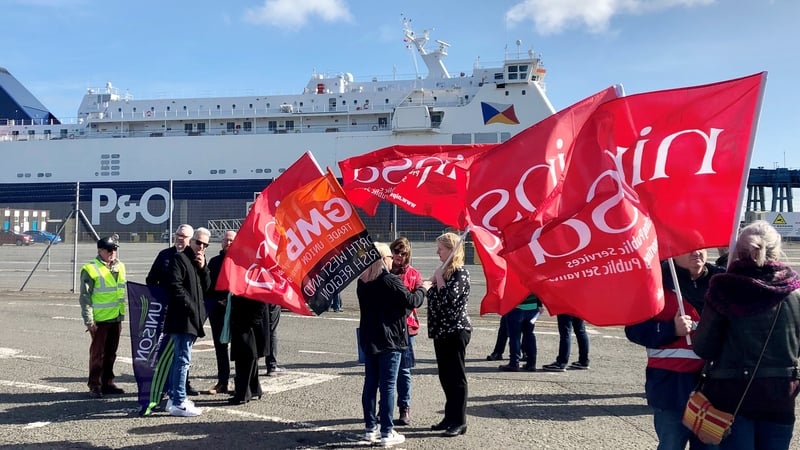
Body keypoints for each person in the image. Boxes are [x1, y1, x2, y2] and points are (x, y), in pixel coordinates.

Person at [694, 221, 800, 449]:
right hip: (780, 395)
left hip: (731, 396)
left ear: (738, 251)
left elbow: (704, 347)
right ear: (776, 250)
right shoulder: (794, 291)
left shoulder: (724, 289)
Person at [625, 249, 724, 450]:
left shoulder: (723, 283)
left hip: (715, 387)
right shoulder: (654, 283)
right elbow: (634, 330)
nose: (696, 252)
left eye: (701, 246)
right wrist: (670, 329)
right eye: (688, 248)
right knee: (671, 445)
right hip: (671, 387)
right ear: (673, 252)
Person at [358, 242, 426, 446]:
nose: (391, 260)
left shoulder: (363, 281)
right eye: (388, 256)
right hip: (390, 339)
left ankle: (370, 428)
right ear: (383, 259)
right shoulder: (389, 280)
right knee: (388, 385)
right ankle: (387, 431)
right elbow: (412, 301)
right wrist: (423, 288)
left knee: (370, 383)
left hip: (370, 337)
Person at [427, 232, 472, 438]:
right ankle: (449, 417)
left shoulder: (460, 273)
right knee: (445, 376)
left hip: (455, 330)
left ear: (452, 250)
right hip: (441, 331)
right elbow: (433, 298)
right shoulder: (444, 272)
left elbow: (449, 301)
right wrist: (432, 283)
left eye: (441, 249)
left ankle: (460, 421)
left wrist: (438, 280)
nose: (438, 252)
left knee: (456, 376)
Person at [163, 227, 211, 417]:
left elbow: (207, 288)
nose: (201, 247)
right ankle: (179, 401)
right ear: (191, 241)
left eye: (205, 245)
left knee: (180, 359)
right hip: (182, 319)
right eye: (198, 242)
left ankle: (174, 397)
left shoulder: (196, 262)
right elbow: (174, 287)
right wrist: (192, 309)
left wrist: (203, 268)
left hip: (190, 319)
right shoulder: (179, 259)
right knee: (182, 360)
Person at [146, 224, 199, 396]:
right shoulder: (164, 255)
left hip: (185, 314)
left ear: (191, 239)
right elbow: (151, 280)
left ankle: (183, 384)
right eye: (178, 235)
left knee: (183, 351)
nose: (180, 238)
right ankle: (162, 386)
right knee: (163, 349)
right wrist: (161, 298)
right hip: (166, 312)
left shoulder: (194, 258)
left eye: (184, 236)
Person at [79, 237, 126, 398]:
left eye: (115, 249)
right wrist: (89, 320)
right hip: (100, 319)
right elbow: (85, 297)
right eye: (109, 249)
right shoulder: (90, 269)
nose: (113, 252)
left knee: (111, 353)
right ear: (100, 250)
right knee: (98, 354)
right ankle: (95, 385)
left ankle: (107, 383)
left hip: (116, 317)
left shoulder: (120, 266)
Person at [389, 236, 424, 426]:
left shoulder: (414, 274)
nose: (399, 256)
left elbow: (417, 298)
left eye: (403, 253)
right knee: (386, 371)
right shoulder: (384, 271)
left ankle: (404, 407)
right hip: (388, 327)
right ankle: (384, 407)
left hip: (407, 328)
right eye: (396, 252)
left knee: (404, 370)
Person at [205, 230, 235, 395]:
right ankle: (223, 381)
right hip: (217, 309)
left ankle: (241, 383)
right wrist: (218, 300)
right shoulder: (214, 262)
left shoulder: (240, 261)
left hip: (236, 309)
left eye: (231, 240)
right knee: (220, 347)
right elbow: (208, 285)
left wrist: (230, 301)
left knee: (239, 347)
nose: (228, 243)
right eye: (225, 240)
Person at [228, 291, 267, 405]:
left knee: (244, 356)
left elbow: (261, 301)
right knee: (250, 355)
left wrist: (254, 320)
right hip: (248, 318)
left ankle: (243, 393)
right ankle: (254, 388)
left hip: (246, 320)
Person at [498, 293, 540, 372]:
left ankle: (514, 363)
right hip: (532, 306)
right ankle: (531, 363)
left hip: (516, 306)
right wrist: (539, 304)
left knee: (515, 337)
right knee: (529, 335)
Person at [262, 303, 283, 376]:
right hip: (272, 299)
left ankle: (251, 365)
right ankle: (272, 365)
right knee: (271, 330)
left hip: (258, 299)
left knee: (257, 326)